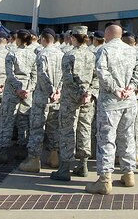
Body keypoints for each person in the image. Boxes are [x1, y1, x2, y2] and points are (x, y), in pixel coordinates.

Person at [85, 23, 138, 195]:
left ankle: (105, 180)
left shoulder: (104, 50)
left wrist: (115, 88)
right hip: (129, 101)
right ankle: (128, 173)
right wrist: (131, 87)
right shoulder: (132, 50)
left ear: (107, 34)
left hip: (111, 102)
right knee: (127, 137)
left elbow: (101, 72)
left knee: (106, 139)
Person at [51, 26, 98, 181]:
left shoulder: (69, 55)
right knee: (85, 128)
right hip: (87, 99)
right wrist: (88, 93)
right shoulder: (93, 55)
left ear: (73, 37)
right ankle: (83, 165)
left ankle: (64, 168)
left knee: (67, 130)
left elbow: (68, 79)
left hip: (71, 99)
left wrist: (80, 93)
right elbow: (97, 77)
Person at [19, 28, 63, 173]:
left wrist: (50, 91)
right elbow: (65, 76)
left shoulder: (41, 54)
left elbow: (42, 75)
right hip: (57, 98)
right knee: (54, 128)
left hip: (42, 97)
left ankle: (34, 160)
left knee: (37, 128)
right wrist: (58, 91)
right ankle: (54, 156)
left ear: (43, 39)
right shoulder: (62, 54)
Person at [0, 30, 38, 164]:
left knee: (7, 119)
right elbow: (35, 75)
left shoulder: (12, 54)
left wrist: (18, 89)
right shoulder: (33, 55)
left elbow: (10, 75)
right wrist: (28, 89)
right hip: (27, 91)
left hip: (13, 90)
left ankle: (3, 151)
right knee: (23, 120)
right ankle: (22, 148)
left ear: (17, 39)